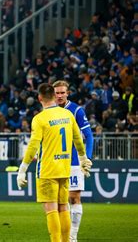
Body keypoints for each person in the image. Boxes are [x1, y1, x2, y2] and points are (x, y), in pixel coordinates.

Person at [16, 83, 92, 242]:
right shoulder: (67, 115)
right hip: (65, 169)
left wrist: (22, 169)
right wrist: (83, 158)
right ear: (53, 96)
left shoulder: (39, 119)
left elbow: (33, 145)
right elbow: (78, 138)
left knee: (51, 209)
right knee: (63, 207)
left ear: (39, 98)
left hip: (48, 170)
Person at [53, 80, 94, 242]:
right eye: (57, 93)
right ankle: (63, 235)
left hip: (74, 161)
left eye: (63, 92)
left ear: (67, 93)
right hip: (55, 161)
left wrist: (87, 158)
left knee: (74, 197)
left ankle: (72, 236)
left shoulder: (76, 110)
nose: (60, 96)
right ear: (53, 94)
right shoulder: (50, 111)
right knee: (58, 201)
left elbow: (89, 136)